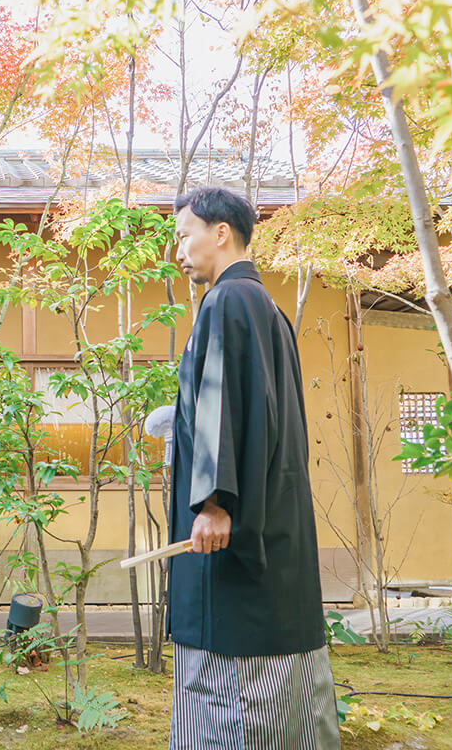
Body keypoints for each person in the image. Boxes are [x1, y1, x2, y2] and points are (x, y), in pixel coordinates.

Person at [166, 187, 340, 749]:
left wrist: (214, 502)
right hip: (271, 522)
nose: (179, 252)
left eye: (184, 235)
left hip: (232, 529)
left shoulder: (228, 301)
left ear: (221, 233)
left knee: (232, 692)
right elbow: (253, 413)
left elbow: (221, 405)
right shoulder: (266, 308)